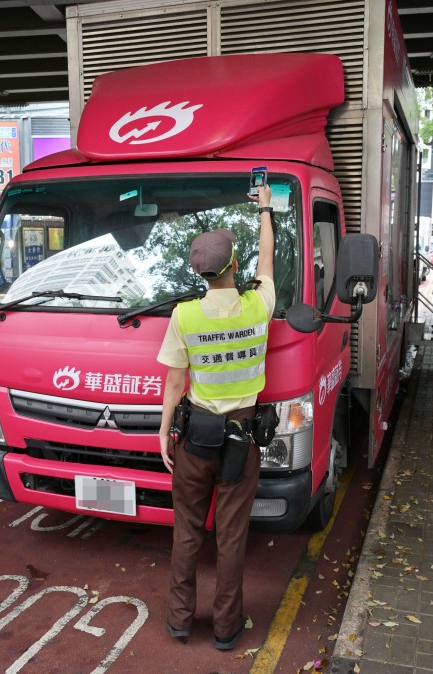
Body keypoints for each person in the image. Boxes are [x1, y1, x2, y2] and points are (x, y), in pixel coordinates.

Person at [156, 184, 276, 651]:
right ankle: (227, 628)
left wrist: (165, 432)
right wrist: (264, 208)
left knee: (187, 531)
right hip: (241, 441)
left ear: (199, 271)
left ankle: (179, 620)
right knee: (231, 536)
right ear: (233, 267)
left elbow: (173, 383)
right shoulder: (256, 306)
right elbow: (267, 263)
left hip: (195, 439)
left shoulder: (185, 316)